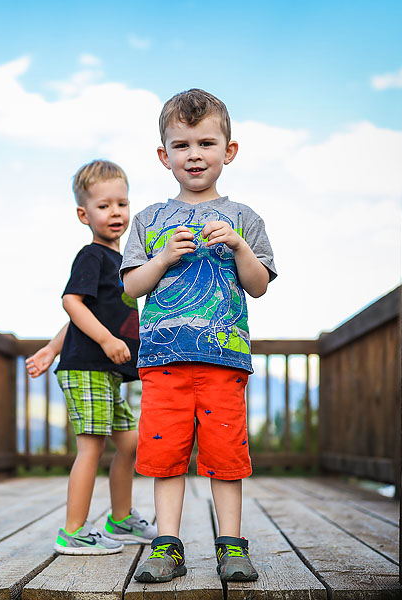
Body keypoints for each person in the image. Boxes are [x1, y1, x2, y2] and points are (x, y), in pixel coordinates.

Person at [120, 89, 276, 583]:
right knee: (164, 457)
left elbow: (259, 286)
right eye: (182, 145)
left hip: (224, 361)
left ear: (228, 151)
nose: (194, 155)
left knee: (226, 455)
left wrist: (238, 249)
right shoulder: (147, 220)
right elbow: (130, 287)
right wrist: (162, 259)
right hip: (163, 360)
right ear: (164, 156)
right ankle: (168, 545)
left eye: (206, 143)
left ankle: (231, 545)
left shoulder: (245, 218)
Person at [25, 159, 158, 555]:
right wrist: (105, 340)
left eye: (122, 203)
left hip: (106, 370)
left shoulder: (123, 264)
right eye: (104, 206)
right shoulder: (92, 256)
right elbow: (72, 302)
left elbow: (87, 313)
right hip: (89, 367)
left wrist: (51, 348)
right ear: (84, 214)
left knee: (129, 443)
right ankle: (74, 531)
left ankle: (119, 519)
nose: (115, 212)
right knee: (92, 446)